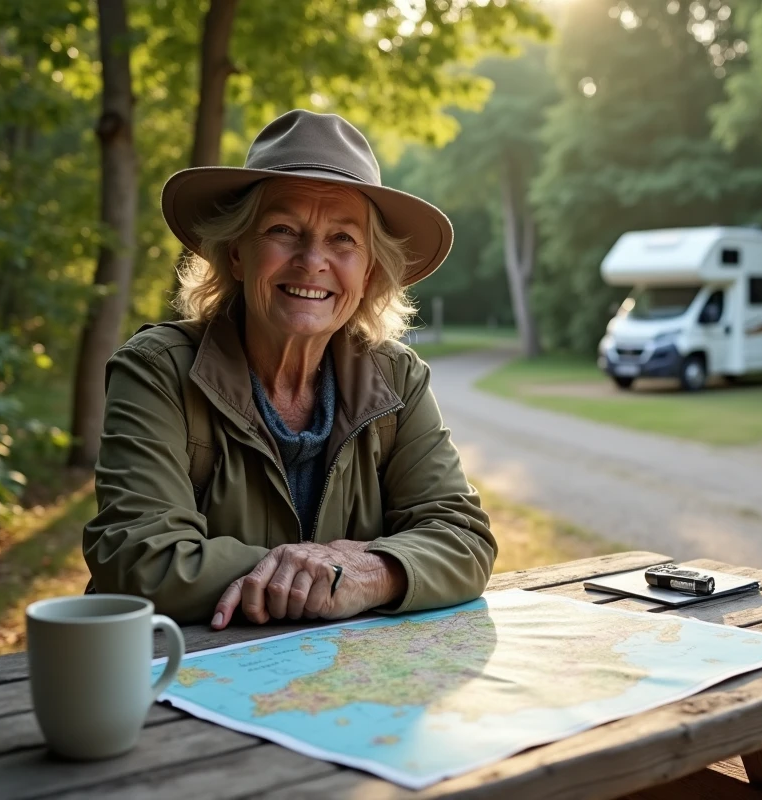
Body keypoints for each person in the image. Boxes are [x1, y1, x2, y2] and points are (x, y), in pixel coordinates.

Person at [82, 110, 495, 630]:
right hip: (177, 668)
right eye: (283, 230)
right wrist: (317, 575)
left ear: (368, 272)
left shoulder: (398, 379)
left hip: (346, 672)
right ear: (237, 253)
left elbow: (463, 538)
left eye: (343, 239)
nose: (312, 259)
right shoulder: (157, 370)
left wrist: (369, 572)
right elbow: (138, 556)